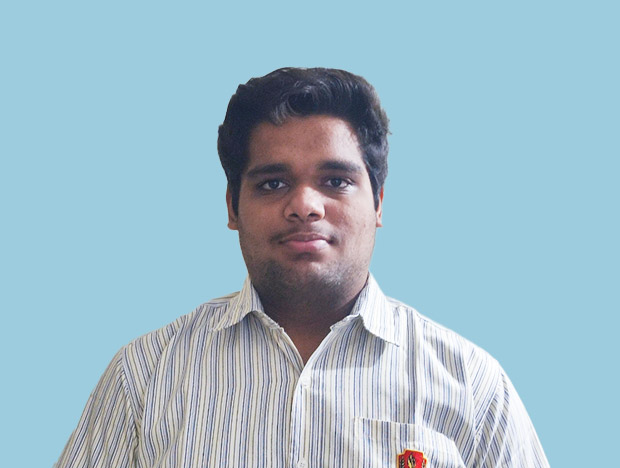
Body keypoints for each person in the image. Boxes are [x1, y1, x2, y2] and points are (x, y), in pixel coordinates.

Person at [56, 67, 549, 467]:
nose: (305, 206)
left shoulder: (471, 385)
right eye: (273, 183)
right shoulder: (146, 375)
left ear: (378, 201)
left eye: (335, 181)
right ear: (232, 206)